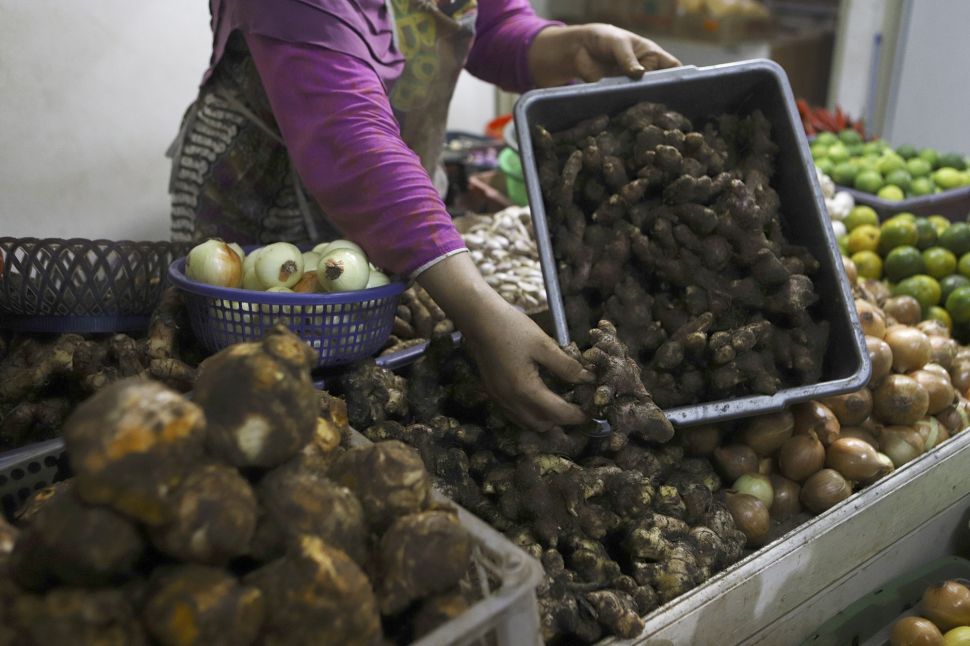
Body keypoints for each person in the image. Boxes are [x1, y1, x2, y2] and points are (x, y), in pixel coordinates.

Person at [169, 0, 680, 431]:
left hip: (389, 197)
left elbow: (490, 23)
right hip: (265, 190)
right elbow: (347, 135)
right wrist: (478, 307)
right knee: (252, 398)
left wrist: (570, 46)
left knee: (356, 383)